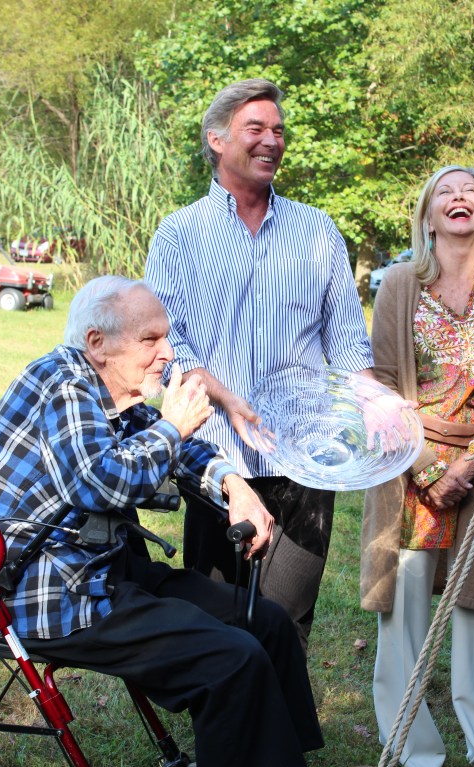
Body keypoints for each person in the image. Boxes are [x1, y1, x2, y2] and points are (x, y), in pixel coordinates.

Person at [0, 276, 350, 767]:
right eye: (150, 339)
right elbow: (103, 483)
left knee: (264, 623)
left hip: (102, 567)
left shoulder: (114, 387)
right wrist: (174, 429)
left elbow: (184, 455)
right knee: (230, 664)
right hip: (44, 591)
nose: (165, 353)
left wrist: (233, 482)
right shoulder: (63, 382)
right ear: (97, 342)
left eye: (166, 336)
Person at [145, 78, 374, 656]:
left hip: (304, 455)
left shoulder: (317, 231)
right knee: (216, 619)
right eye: (256, 129)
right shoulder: (178, 235)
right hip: (216, 459)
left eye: (278, 130)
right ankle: (224, 745)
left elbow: (347, 341)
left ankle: (279, 746)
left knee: (288, 618)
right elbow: (168, 347)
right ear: (216, 140)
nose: (272, 140)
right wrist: (221, 394)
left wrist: (377, 405)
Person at [361, 166, 474, 767]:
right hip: (409, 470)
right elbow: (380, 383)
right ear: (427, 214)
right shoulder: (399, 284)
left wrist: (471, 462)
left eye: (470, 190)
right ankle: (414, 752)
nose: (458, 198)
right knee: (404, 612)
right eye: (444, 191)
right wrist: (427, 467)